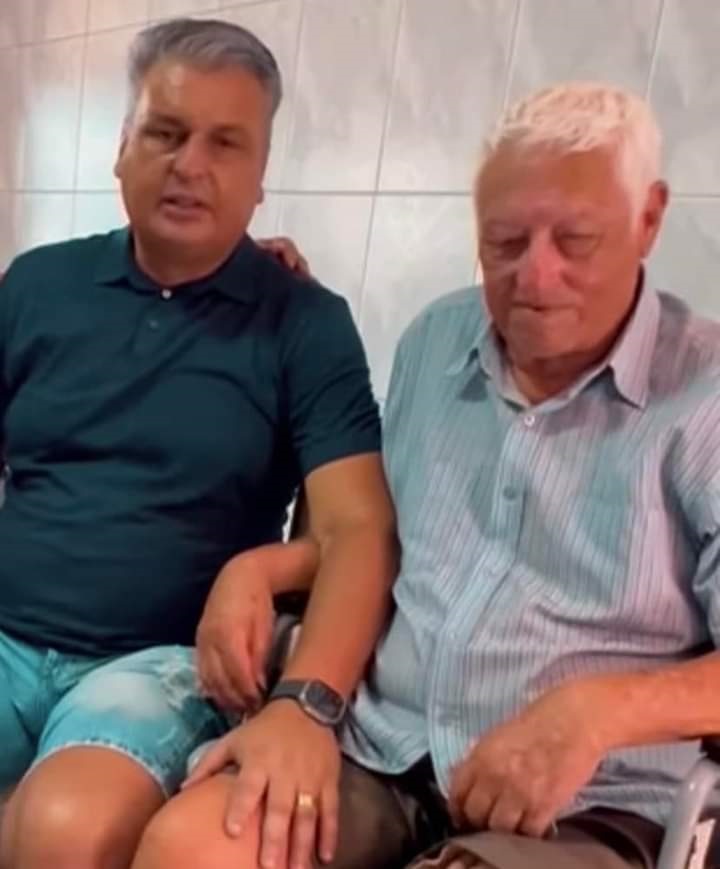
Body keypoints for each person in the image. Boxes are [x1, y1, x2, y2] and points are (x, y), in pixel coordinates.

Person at [132, 81, 720, 869]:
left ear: (649, 217)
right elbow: (393, 544)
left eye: (575, 240)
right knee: (189, 846)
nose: (535, 276)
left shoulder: (705, 398)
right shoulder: (436, 342)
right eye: (505, 242)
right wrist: (261, 568)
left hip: (583, 805)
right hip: (383, 754)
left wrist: (597, 711)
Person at [0, 17, 396, 869]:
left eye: (225, 143)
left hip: (160, 664)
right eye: (166, 133)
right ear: (122, 147)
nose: (190, 165)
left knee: (64, 826)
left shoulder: (305, 323)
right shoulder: (36, 285)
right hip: (7, 635)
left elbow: (358, 527)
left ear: (260, 175)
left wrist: (305, 701)